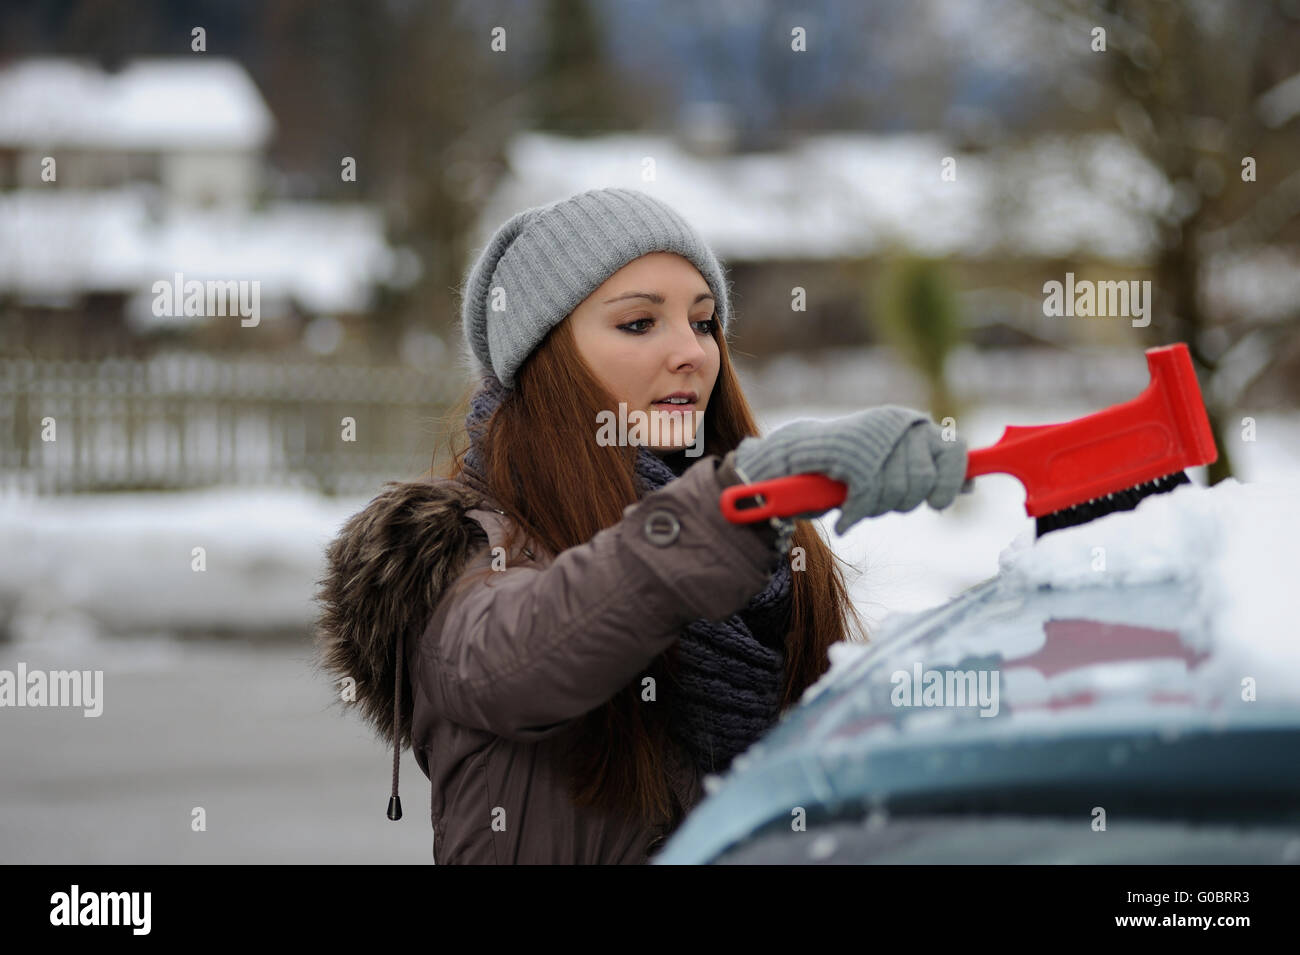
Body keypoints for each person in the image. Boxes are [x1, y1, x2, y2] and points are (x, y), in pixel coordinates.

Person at [314, 187, 967, 864]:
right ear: (547, 360)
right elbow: (528, 651)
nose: (692, 352)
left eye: (704, 321)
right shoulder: (470, 554)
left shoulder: (765, 556)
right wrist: (740, 500)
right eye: (638, 324)